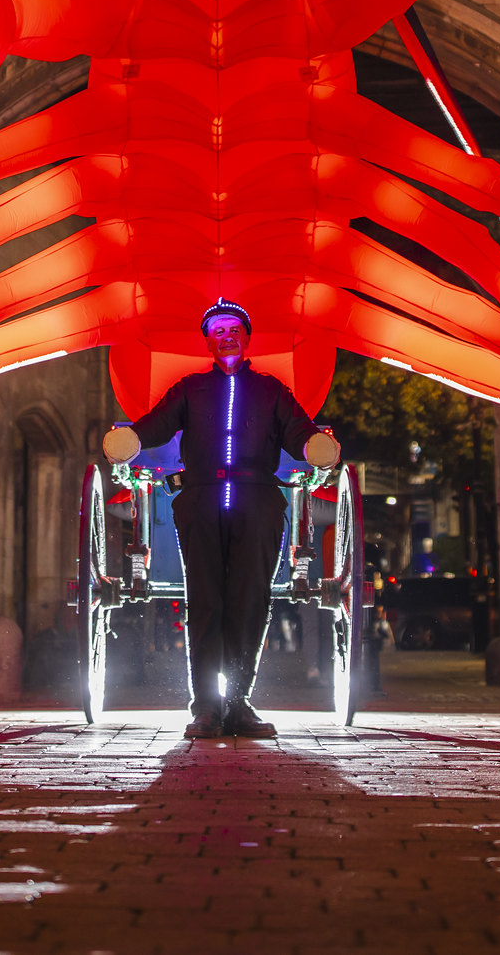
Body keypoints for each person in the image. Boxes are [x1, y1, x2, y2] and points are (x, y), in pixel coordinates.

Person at [102, 301, 339, 740]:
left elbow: (298, 431)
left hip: (259, 500)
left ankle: (238, 702)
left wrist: (314, 447)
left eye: (234, 328)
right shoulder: (189, 389)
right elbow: (156, 424)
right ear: (208, 341)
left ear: (247, 337)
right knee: (206, 603)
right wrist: (131, 439)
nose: (226, 334)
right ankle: (206, 708)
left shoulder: (271, 390)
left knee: (250, 602)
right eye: (217, 329)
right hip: (200, 500)